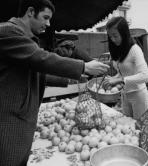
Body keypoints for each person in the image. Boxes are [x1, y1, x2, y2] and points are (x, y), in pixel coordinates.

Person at [0, 0, 109, 165]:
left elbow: (35, 72)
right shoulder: (8, 31)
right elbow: (41, 59)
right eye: (45, 17)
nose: (48, 23)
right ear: (30, 12)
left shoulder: (25, 37)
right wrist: (83, 66)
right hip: (10, 122)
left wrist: (73, 78)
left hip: (23, 120)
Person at [103, 16, 148, 120]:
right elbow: (124, 73)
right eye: (110, 36)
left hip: (138, 96)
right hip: (125, 96)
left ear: (123, 33)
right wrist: (112, 79)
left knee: (140, 130)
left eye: (115, 35)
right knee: (127, 128)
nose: (113, 39)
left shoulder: (134, 50)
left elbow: (145, 76)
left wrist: (119, 80)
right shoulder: (118, 49)